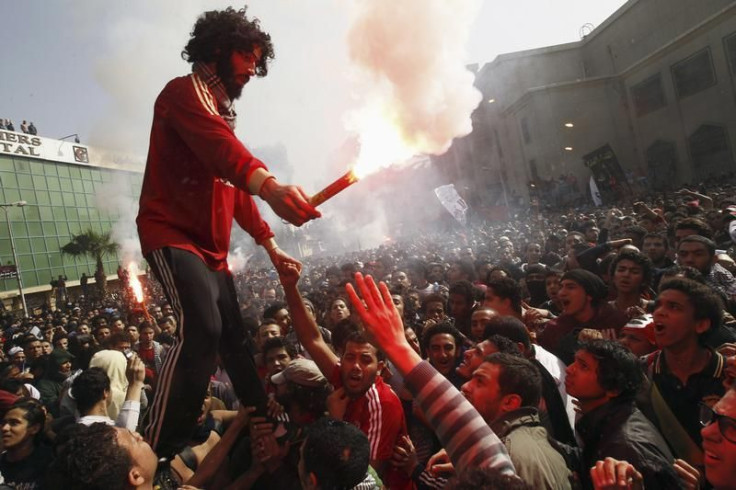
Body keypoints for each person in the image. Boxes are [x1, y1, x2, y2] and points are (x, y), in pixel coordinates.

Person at [136, 7, 320, 457]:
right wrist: (271, 185)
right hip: (171, 234)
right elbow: (225, 154)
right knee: (203, 326)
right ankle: (153, 447)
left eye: (259, 61)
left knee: (236, 339)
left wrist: (271, 245)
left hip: (213, 251)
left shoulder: (222, 117)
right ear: (217, 49)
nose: (253, 69)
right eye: (247, 57)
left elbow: (235, 188)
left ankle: (263, 423)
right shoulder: (183, 94)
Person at [278, 264, 412, 489]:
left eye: (365, 360)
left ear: (380, 367)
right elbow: (312, 339)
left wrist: (334, 422)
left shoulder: (383, 404)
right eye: (350, 357)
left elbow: (363, 476)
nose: (356, 366)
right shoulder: (344, 377)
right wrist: (290, 287)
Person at [565, 340, 680, 489]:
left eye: (583, 366)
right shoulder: (610, 422)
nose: (569, 369)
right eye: (574, 361)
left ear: (613, 389)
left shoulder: (625, 448)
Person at [0, 398, 54, 489]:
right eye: (3, 423)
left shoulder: (50, 463)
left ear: (34, 428)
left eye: (14, 423)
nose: (5, 428)